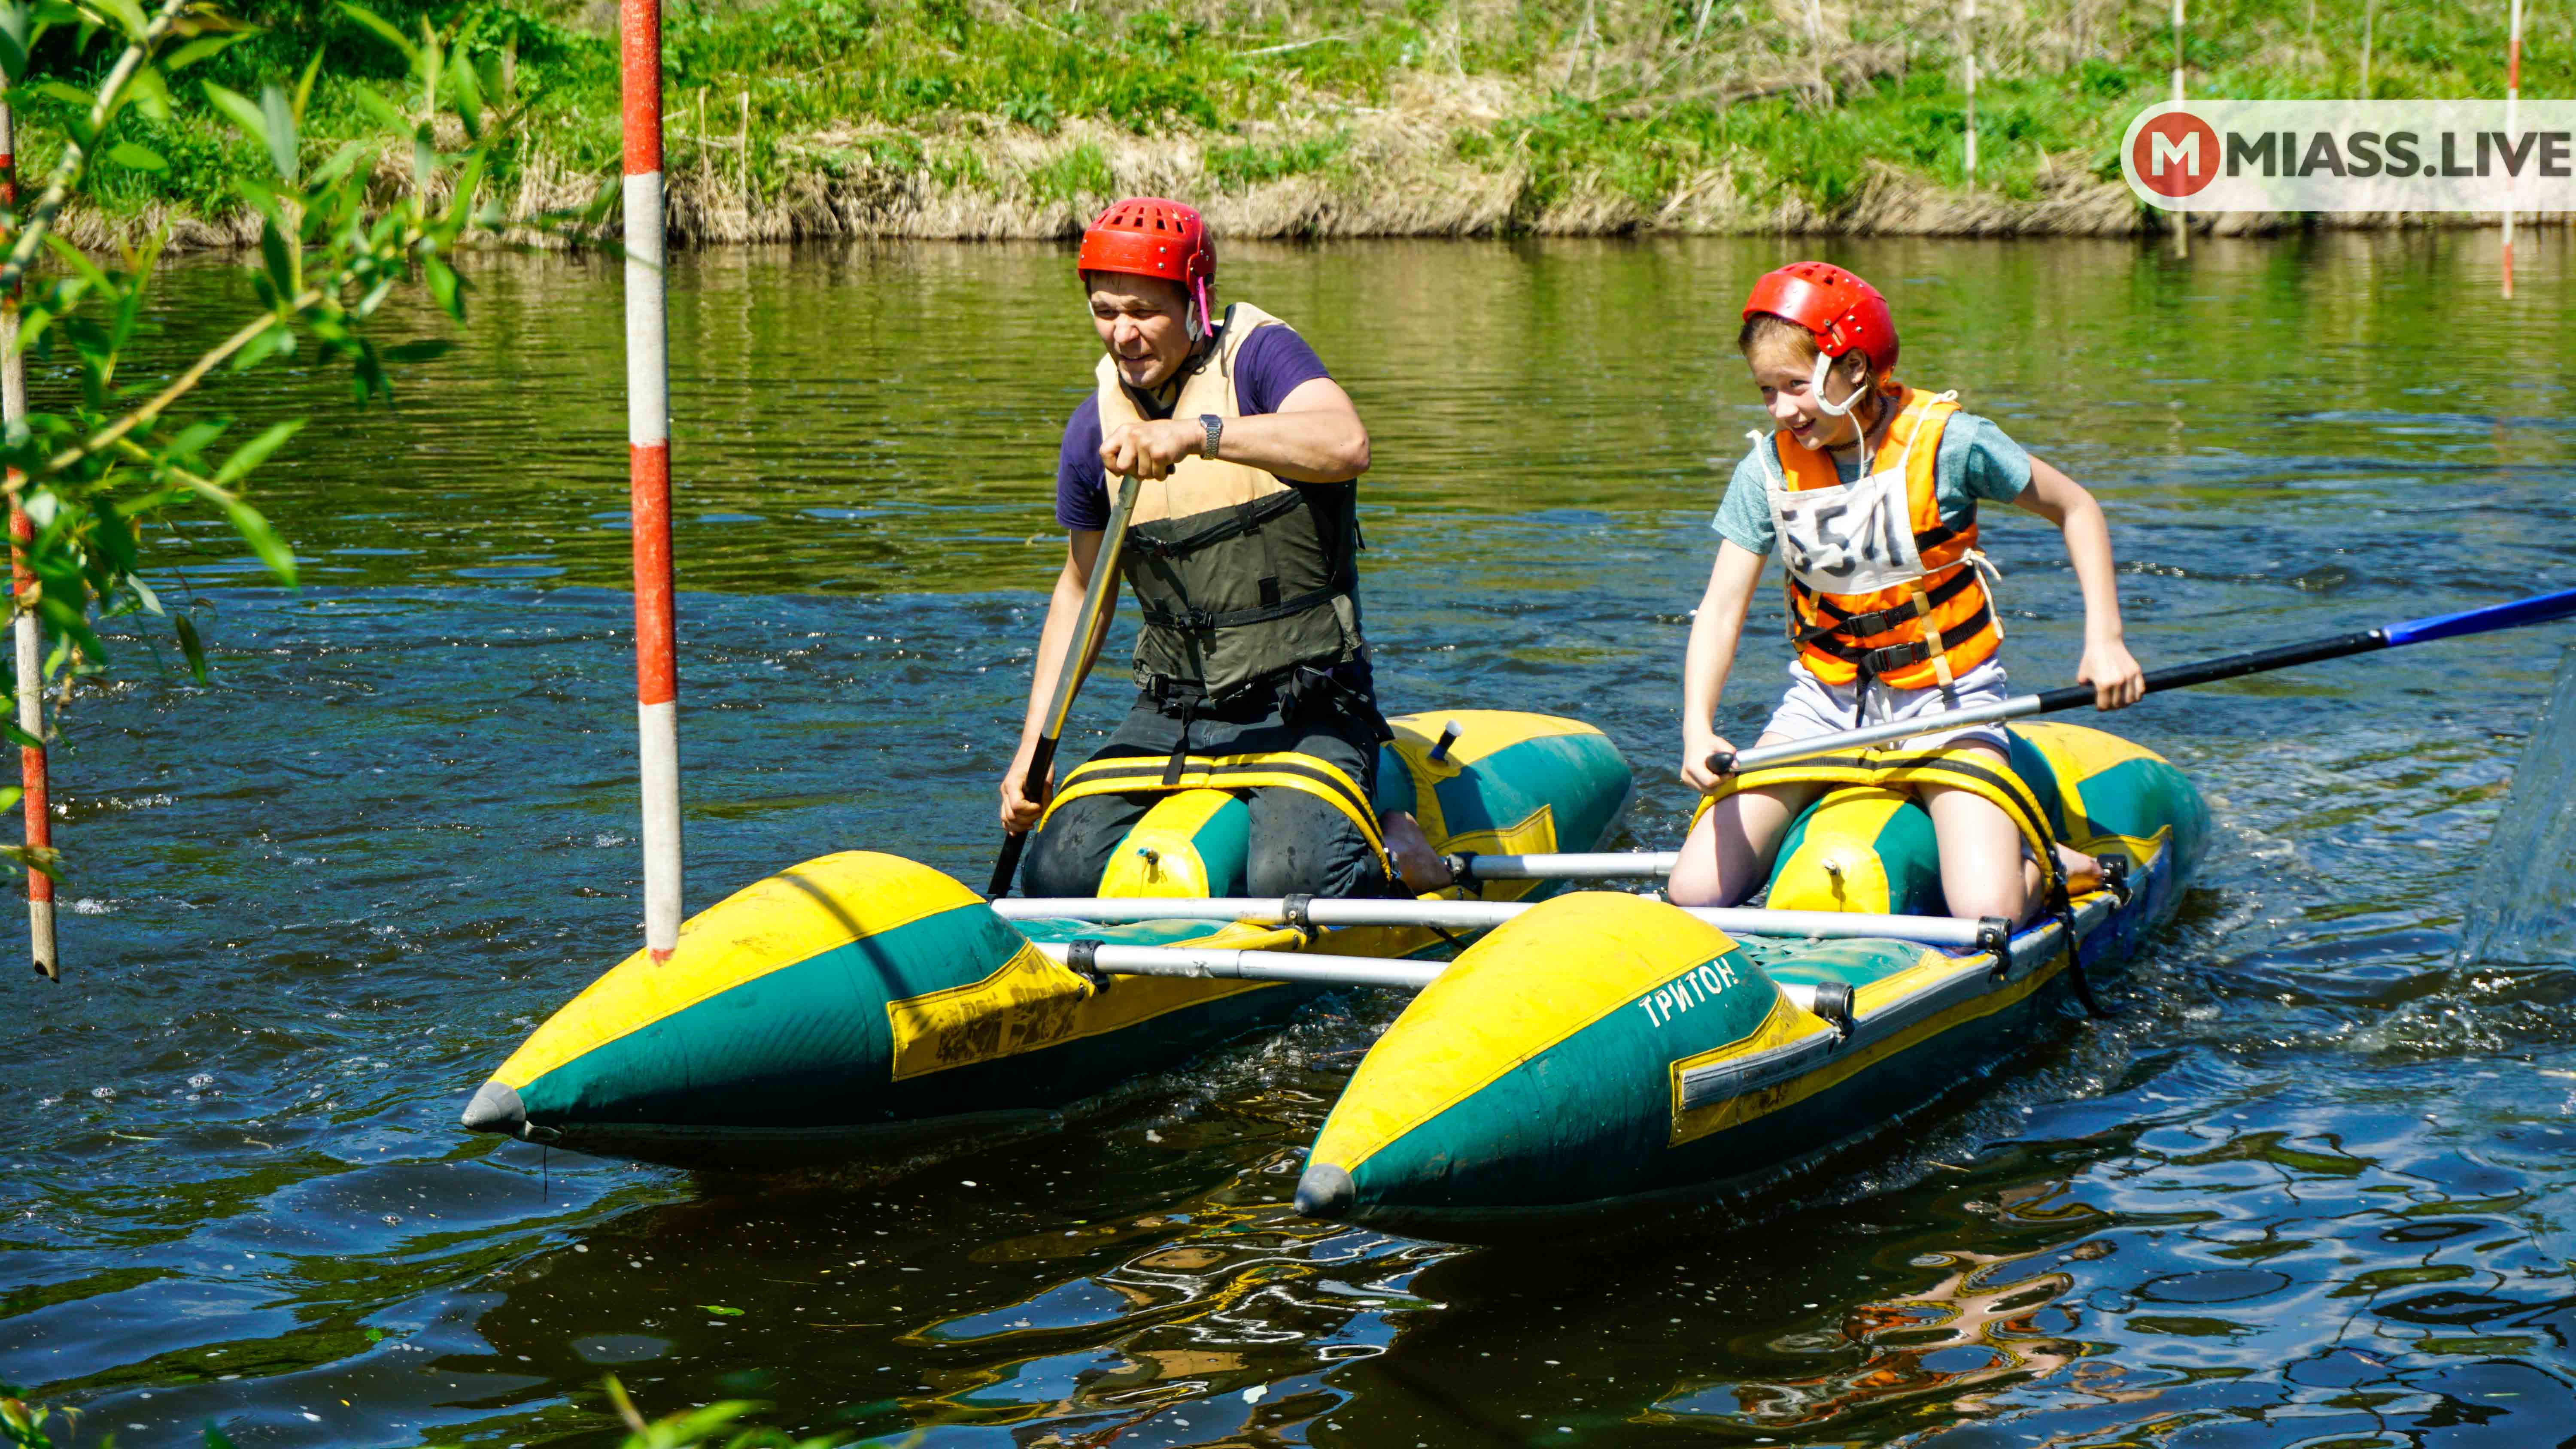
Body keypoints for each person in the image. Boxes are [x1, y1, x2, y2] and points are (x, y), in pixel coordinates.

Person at [1671, 261, 2147, 922]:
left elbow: (2077, 508)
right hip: (1825, 706)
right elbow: (1722, 610)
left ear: (1856, 369)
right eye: (1766, 391)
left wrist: (2106, 641)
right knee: (1693, 891)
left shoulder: (1950, 443)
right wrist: (1699, 729)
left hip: (1948, 703)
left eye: (1796, 386)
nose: (1782, 410)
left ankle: (2047, 860)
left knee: (1992, 912)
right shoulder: (1769, 469)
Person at [999, 197, 1444, 899]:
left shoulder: (1261, 359)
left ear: (1195, 299)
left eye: (1144, 311)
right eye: (1105, 311)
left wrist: (1197, 434)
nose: (1123, 335)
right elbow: (1083, 591)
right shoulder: (1095, 429)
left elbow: (1346, 443)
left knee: (1294, 877)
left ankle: (1399, 841)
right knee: (1057, 870)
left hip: (1309, 701)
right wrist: (1032, 747)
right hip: (1175, 709)